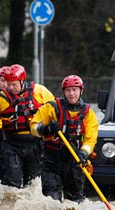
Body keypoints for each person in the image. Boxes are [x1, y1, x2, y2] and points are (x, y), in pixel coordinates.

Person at [0, 64, 55, 188]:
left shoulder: (40, 91)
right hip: (12, 145)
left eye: (14, 84)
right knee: (12, 184)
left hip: (35, 144)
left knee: (33, 183)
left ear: (22, 81)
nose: (10, 87)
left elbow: (54, 110)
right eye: (8, 84)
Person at [30, 75, 99, 203]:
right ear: (64, 92)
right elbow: (33, 128)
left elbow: (91, 139)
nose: (71, 94)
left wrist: (83, 153)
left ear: (81, 91)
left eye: (74, 90)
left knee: (75, 204)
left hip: (75, 161)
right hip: (52, 161)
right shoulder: (52, 107)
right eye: (68, 90)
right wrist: (46, 128)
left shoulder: (88, 114)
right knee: (52, 202)